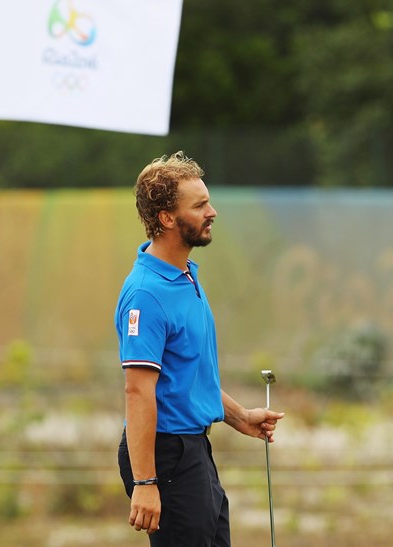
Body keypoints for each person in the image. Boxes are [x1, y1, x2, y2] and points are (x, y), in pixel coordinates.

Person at [115, 151, 284, 546]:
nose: (213, 212)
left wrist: (240, 417)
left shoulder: (186, 275)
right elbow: (138, 392)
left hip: (194, 450)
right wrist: (145, 482)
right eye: (200, 205)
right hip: (165, 454)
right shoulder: (146, 294)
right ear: (167, 218)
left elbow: (188, 375)